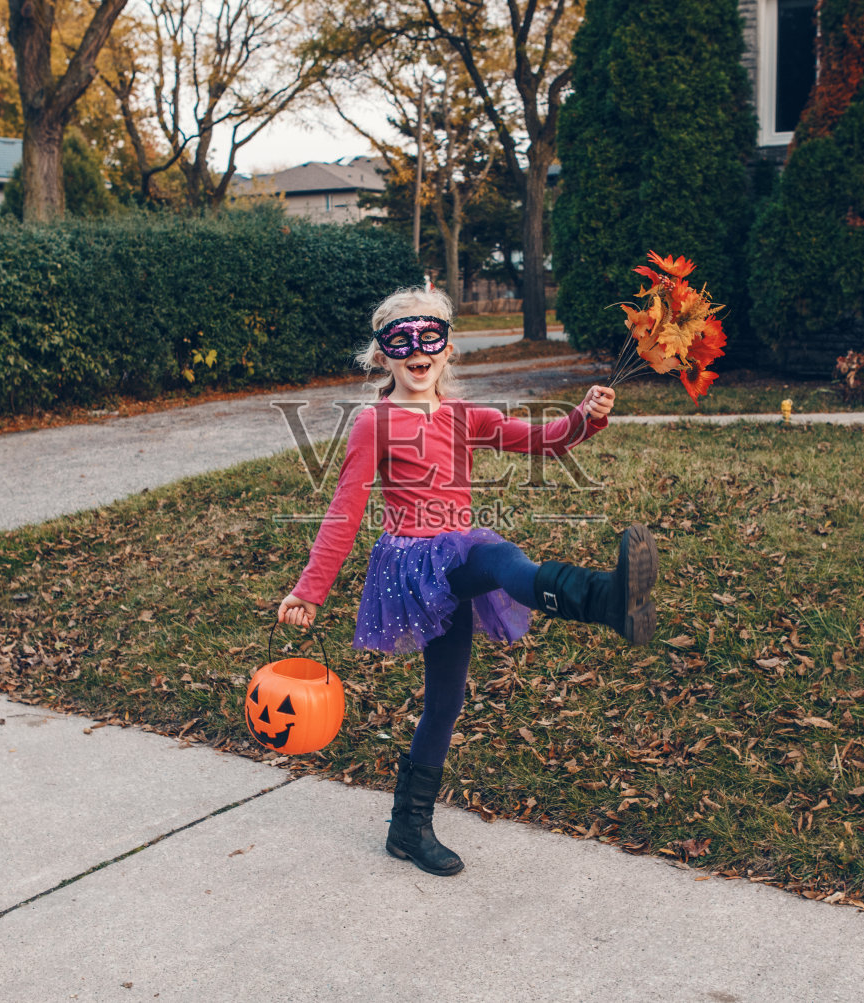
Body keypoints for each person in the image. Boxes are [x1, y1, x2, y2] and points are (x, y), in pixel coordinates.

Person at [276, 286, 658, 876]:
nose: (416, 351)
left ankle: (408, 826)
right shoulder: (373, 425)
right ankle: (605, 598)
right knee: (502, 559)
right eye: (399, 341)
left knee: (447, 699)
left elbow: (542, 441)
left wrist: (584, 417)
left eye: (427, 337)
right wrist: (309, 590)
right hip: (414, 564)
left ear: (446, 348)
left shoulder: (463, 416)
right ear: (382, 355)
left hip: (452, 555)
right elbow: (343, 512)